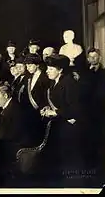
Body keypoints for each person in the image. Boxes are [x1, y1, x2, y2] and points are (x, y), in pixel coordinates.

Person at [40, 54, 84, 186]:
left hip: (70, 129)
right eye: (47, 68)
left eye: (51, 68)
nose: (47, 71)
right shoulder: (55, 82)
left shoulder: (69, 83)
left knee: (69, 162)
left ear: (60, 70)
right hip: (59, 127)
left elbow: (75, 110)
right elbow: (58, 103)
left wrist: (55, 112)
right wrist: (47, 108)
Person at [21, 53, 50, 146]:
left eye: (30, 65)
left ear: (37, 65)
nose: (27, 67)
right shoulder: (28, 77)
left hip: (42, 112)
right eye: (26, 65)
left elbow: (47, 96)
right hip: (30, 113)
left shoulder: (45, 78)